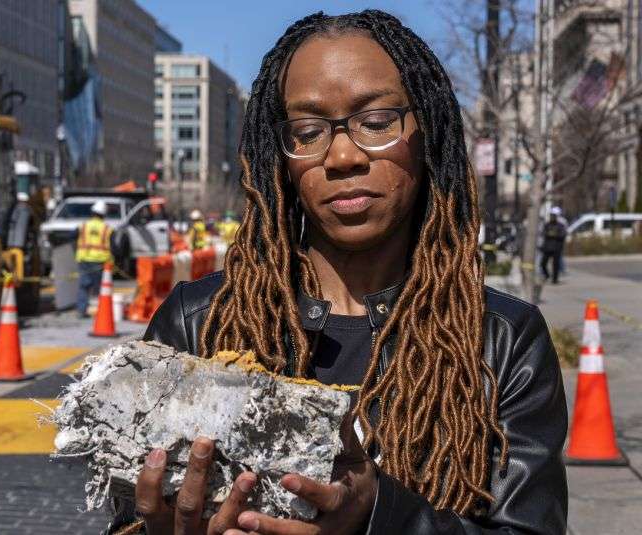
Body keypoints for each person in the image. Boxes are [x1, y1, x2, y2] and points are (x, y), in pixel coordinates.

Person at [134, 10, 566, 535]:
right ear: (282, 157)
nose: (341, 155)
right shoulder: (197, 321)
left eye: (377, 122)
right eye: (308, 131)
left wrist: (377, 515)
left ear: (425, 131)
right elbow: (127, 514)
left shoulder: (502, 340)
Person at [75, 201, 112, 318]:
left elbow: (71, 236)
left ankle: (82, 310)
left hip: (84, 259)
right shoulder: (107, 228)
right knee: (101, 288)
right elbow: (115, 245)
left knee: (84, 286)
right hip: (101, 261)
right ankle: (101, 312)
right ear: (103, 214)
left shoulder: (83, 226)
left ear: (92, 212)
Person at [540, 212, 568, 284]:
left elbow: (562, 235)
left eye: (553, 217)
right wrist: (551, 234)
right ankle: (547, 275)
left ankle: (555, 279)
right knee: (543, 263)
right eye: (551, 217)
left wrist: (553, 234)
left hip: (556, 248)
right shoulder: (547, 225)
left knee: (555, 264)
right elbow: (544, 233)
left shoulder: (560, 225)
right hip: (547, 247)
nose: (552, 218)